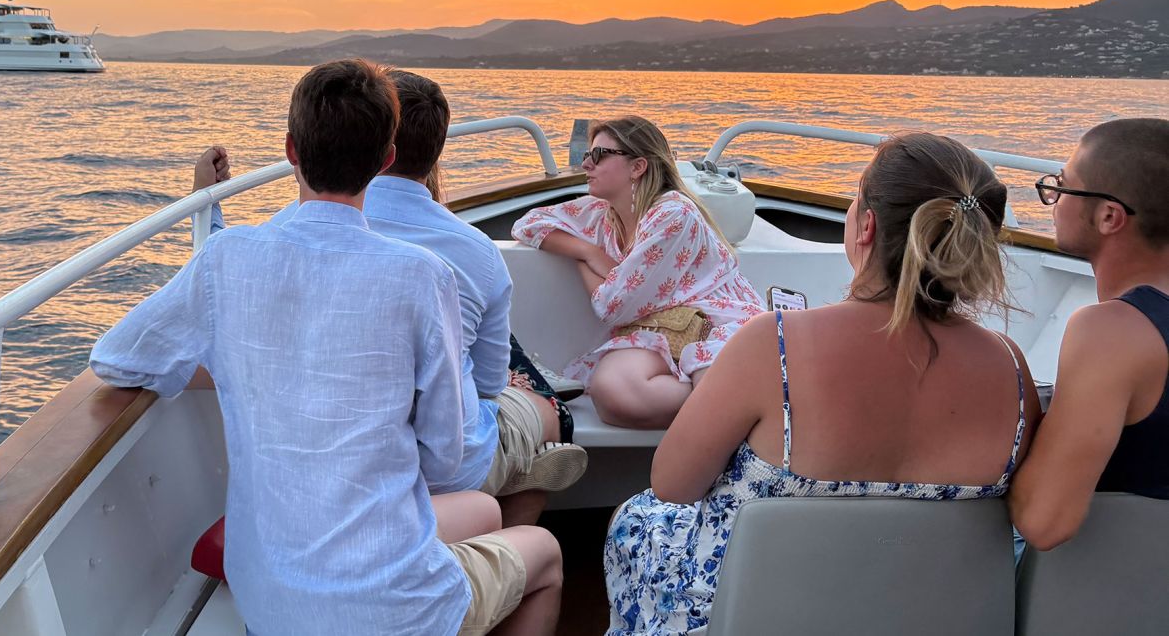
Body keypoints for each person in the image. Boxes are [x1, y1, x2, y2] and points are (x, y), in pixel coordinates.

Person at [89, 60, 562, 636]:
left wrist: (232, 361)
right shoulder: (422, 275)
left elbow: (116, 358)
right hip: (393, 609)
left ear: (291, 149)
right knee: (543, 553)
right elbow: (447, 459)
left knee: (478, 517)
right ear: (385, 160)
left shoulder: (226, 259)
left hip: (270, 606)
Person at [603, 132, 1042, 634]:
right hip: (916, 620)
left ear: (866, 226)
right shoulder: (1012, 369)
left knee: (637, 518)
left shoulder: (773, 345)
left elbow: (673, 485)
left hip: (752, 617)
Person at [199, 70, 587, 527]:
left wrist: (207, 201)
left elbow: (221, 273)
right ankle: (516, 494)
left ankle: (497, 501)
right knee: (542, 409)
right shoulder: (473, 255)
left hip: (337, 458)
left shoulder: (290, 227)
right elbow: (485, 385)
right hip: (439, 462)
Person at [510, 115, 765, 429]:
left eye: (599, 155)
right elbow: (527, 224)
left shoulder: (673, 213)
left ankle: (732, 401)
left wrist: (593, 264)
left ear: (637, 167)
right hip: (658, 327)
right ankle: (730, 401)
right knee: (613, 392)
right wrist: (588, 253)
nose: (586, 164)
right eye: (587, 154)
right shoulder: (602, 214)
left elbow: (612, 306)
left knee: (711, 376)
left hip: (713, 319)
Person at [1010, 118, 1169, 550]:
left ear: (1109, 216)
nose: (1053, 199)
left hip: (1121, 581)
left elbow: (1044, 523)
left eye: (1063, 186)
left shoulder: (1114, 331)